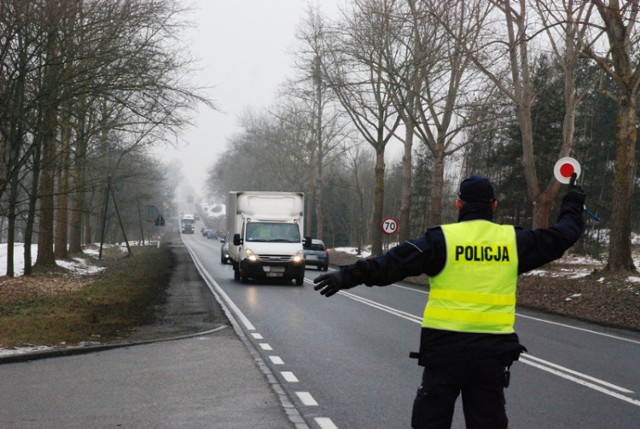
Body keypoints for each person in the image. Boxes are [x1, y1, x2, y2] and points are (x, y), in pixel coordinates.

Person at [314, 175, 586, 429]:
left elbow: (392, 264)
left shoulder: (441, 241)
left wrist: (346, 277)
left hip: (443, 354)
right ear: (494, 205)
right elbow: (564, 234)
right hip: (490, 356)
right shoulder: (513, 242)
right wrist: (573, 200)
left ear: (458, 204)